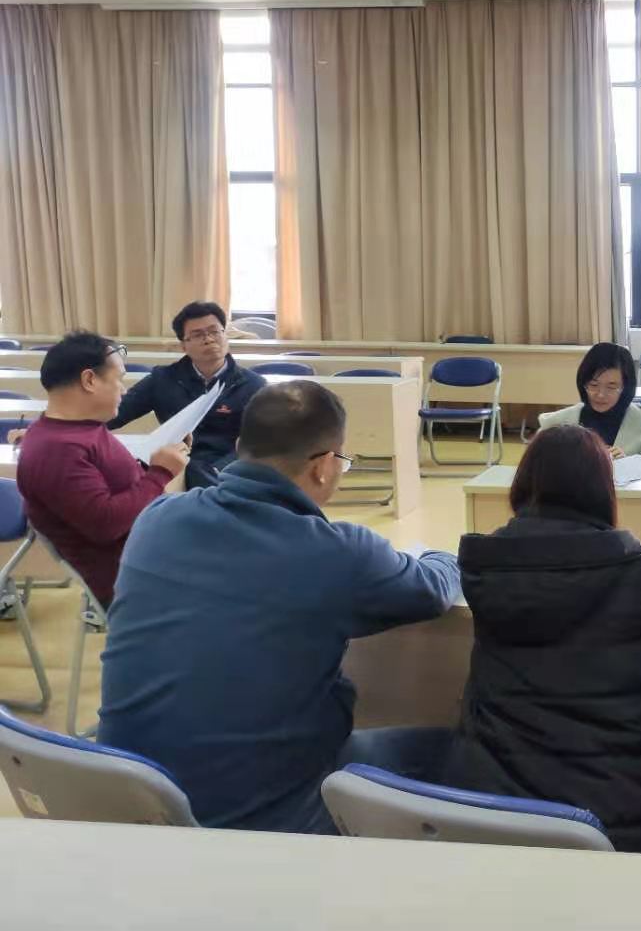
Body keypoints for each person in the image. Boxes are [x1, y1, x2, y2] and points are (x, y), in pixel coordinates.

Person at [98, 381, 460, 834]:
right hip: (256, 822)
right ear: (324, 466)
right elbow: (432, 589)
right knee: (452, 750)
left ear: (238, 449)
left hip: (131, 803)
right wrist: (445, 556)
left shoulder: (157, 517)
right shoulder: (337, 552)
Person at [442, 425, 641, 856]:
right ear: (601, 489)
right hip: (618, 808)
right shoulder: (630, 566)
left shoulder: (484, 563)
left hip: (497, 799)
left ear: (524, 482)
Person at [15, 333, 189, 608]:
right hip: (136, 580)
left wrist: (156, 462)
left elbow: (115, 481)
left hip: (151, 554)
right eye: (119, 379)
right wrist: (159, 473)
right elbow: (106, 524)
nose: (124, 390)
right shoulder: (57, 450)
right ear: (89, 380)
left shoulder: (83, 427)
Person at [109, 301, 267, 489]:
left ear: (225, 335)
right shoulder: (163, 379)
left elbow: (258, 441)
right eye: (198, 335)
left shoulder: (253, 385)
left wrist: (219, 470)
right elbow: (115, 413)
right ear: (183, 345)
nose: (208, 339)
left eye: (215, 331)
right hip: (175, 468)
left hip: (229, 473)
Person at [538, 342, 641, 464]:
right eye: (593, 385)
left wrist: (629, 465)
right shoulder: (557, 425)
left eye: (611, 387)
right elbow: (536, 469)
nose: (600, 395)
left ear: (626, 388)